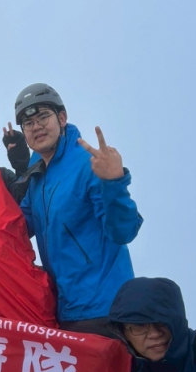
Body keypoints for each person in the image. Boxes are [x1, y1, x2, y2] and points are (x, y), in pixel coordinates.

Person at [13, 83, 143, 334]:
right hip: (66, 310)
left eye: (43, 117)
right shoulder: (36, 171)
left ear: (62, 118)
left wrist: (114, 182)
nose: (36, 126)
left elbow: (124, 231)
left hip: (108, 308)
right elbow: (20, 224)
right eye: (28, 123)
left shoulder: (88, 164)